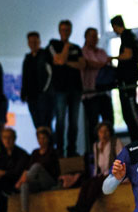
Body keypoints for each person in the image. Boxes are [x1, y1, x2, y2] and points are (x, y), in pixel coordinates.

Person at [67, 122, 123, 212]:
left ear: (110, 132)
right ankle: (78, 207)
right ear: (98, 133)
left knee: (95, 184)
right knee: (86, 183)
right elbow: (97, 166)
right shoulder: (96, 146)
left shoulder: (115, 142)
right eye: (101, 132)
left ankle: (84, 210)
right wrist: (94, 177)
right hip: (103, 174)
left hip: (115, 174)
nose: (104, 134)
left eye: (106, 131)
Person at [48, 20, 85, 157]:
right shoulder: (53, 44)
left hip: (75, 88)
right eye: (63, 30)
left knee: (74, 122)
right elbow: (59, 60)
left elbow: (82, 65)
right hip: (60, 89)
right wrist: (66, 48)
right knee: (60, 120)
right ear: (59, 31)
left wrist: (65, 62)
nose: (65, 32)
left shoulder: (76, 47)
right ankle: (59, 150)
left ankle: (71, 149)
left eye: (68, 30)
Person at [110, 15, 138, 141]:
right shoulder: (133, 36)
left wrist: (113, 58)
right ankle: (137, 139)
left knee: (131, 111)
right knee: (129, 112)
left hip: (127, 80)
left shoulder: (126, 36)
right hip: (130, 78)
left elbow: (128, 54)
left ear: (115, 26)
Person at [16, 127, 60, 212]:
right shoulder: (35, 153)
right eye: (39, 138)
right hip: (36, 181)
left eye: (43, 138)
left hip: (49, 180)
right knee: (24, 185)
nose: (41, 141)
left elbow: (46, 168)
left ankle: (21, 182)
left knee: (37, 166)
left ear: (48, 139)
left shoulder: (52, 152)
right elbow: (28, 169)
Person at [82, 28, 115, 151]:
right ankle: (94, 153)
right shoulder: (82, 52)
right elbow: (89, 63)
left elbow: (107, 64)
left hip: (104, 93)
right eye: (91, 36)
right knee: (93, 126)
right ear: (86, 37)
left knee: (109, 122)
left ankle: (111, 151)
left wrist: (103, 62)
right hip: (90, 93)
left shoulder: (101, 51)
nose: (94, 39)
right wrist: (103, 63)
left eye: (96, 36)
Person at [21, 31, 54, 129]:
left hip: (44, 96)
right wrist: (24, 92)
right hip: (31, 97)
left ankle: (50, 144)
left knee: (46, 124)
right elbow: (25, 77)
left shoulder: (46, 56)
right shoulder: (27, 58)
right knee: (38, 125)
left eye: (35, 42)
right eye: (31, 42)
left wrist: (45, 91)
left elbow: (50, 75)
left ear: (39, 42)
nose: (33, 44)